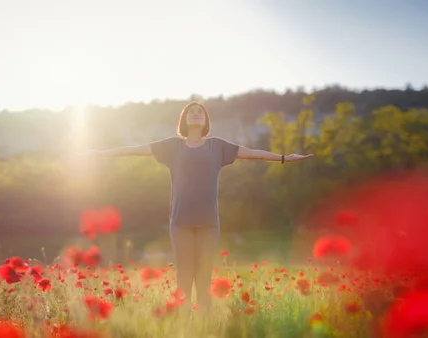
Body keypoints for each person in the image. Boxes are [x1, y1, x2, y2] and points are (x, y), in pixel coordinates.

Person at [81, 101, 314, 317]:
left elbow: (253, 154)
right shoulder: (172, 146)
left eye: (200, 111)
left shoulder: (218, 146)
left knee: (203, 277)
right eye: (191, 111)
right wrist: (100, 154)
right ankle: (183, 325)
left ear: (205, 121)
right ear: (184, 119)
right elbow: (135, 149)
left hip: (209, 223)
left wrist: (284, 157)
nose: (195, 113)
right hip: (180, 221)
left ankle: (204, 325)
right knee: (183, 276)